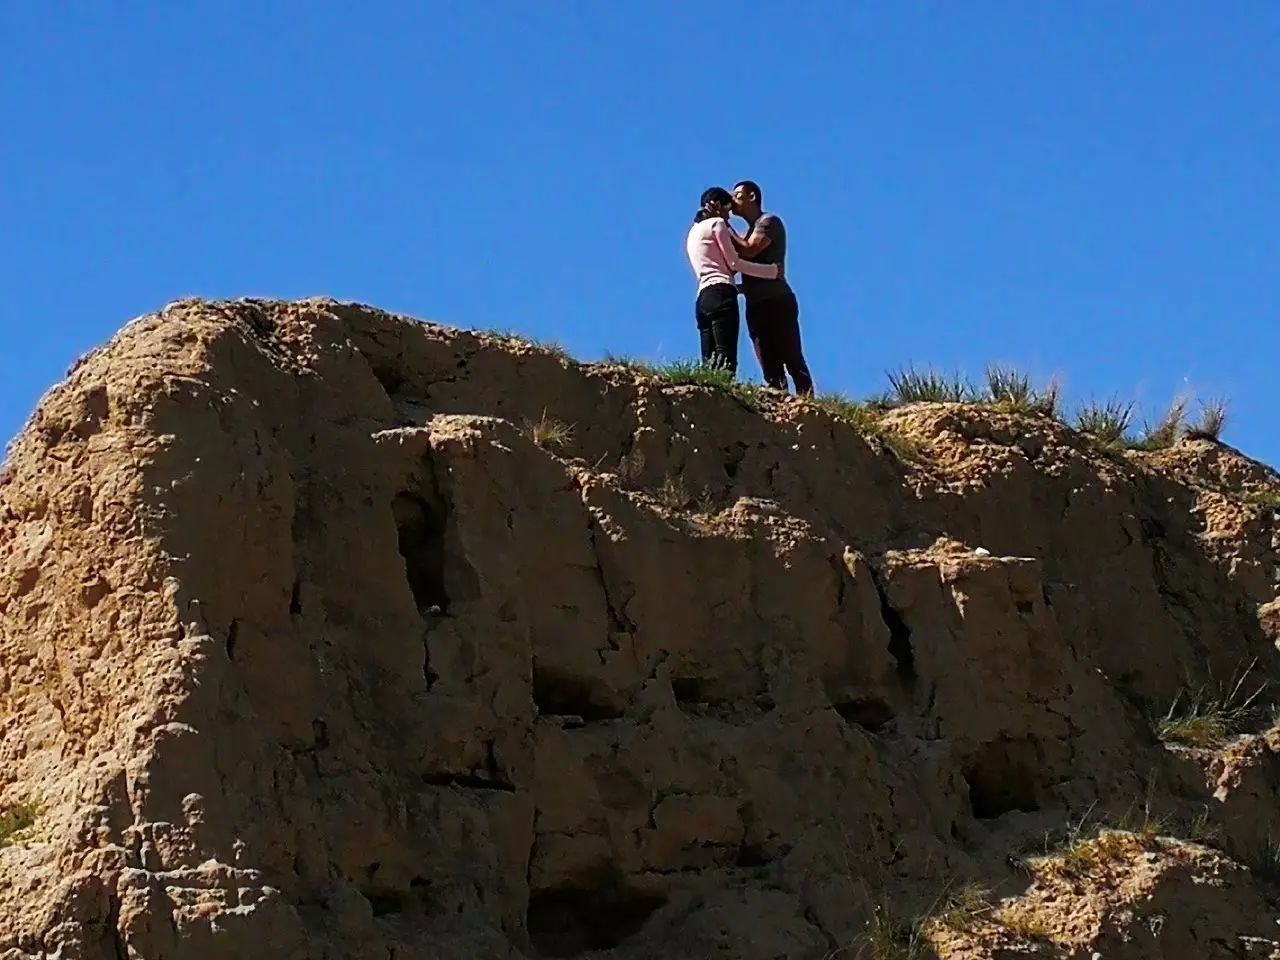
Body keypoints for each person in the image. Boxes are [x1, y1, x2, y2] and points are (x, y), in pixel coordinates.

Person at [684, 187, 781, 375]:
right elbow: (735, 263)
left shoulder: (693, 231)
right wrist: (772, 271)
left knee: (708, 360)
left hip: (702, 297)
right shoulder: (717, 224)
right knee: (726, 355)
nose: (729, 217)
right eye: (728, 211)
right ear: (719, 206)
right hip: (722, 292)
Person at [731, 180, 814, 395]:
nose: (733, 201)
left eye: (737, 195)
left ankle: (808, 405)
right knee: (769, 366)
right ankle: (783, 411)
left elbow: (750, 251)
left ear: (752, 197)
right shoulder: (747, 233)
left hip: (776, 301)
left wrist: (723, 227)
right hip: (755, 305)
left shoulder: (768, 222)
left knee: (792, 357)